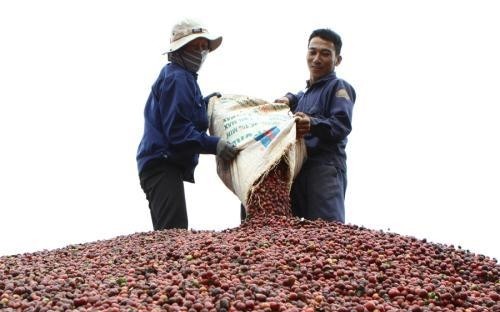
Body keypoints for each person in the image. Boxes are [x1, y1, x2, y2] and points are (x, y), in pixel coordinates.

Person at [136, 19, 239, 230]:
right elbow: (178, 132)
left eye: (204, 47)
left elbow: (182, 112)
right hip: (161, 164)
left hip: (158, 164)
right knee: (173, 236)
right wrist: (216, 144)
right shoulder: (178, 78)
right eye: (195, 46)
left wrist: (204, 103)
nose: (201, 52)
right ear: (180, 49)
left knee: (169, 233)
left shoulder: (183, 78)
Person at [276, 28, 356, 223]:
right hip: (298, 171)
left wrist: (312, 123)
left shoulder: (339, 87)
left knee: (326, 232)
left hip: (324, 169)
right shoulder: (304, 95)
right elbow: (297, 96)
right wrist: (287, 98)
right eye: (312, 52)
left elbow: (341, 125)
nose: (317, 58)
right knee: (294, 236)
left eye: (325, 53)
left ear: (337, 60)